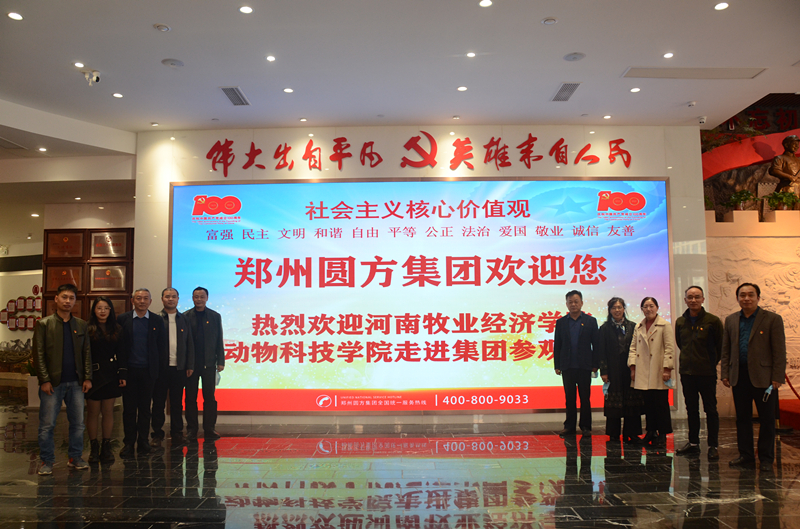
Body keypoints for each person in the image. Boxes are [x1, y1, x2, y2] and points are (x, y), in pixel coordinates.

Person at [720, 283, 786, 468]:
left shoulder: (772, 319)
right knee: (742, 418)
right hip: (739, 376)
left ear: (758, 297)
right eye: (742, 295)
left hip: (765, 378)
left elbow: (779, 351)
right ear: (737, 298)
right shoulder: (731, 320)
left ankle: (766, 459)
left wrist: (777, 376)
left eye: (751, 295)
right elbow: (726, 349)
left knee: (767, 419)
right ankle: (746, 455)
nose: (746, 298)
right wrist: (725, 372)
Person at [32, 283, 92, 475]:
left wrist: (87, 377)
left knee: (78, 424)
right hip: (53, 383)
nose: (68, 301)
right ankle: (46, 461)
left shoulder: (81, 325)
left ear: (75, 301)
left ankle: (75, 457)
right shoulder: (44, 324)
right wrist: (44, 380)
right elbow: (38, 354)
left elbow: (86, 353)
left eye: (71, 298)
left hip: (76, 383)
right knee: (47, 425)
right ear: (56, 299)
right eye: (64, 297)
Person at [674, 286, 724, 461]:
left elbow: (720, 347)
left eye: (697, 297)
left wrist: (709, 362)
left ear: (703, 299)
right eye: (690, 297)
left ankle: (713, 445)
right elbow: (681, 344)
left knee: (710, 409)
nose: (693, 300)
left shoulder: (713, 321)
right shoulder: (680, 322)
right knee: (691, 408)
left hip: (706, 373)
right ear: (685, 300)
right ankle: (693, 443)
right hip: (687, 373)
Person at [117, 288, 168, 458]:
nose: (142, 301)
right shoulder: (123, 319)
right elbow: (120, 348)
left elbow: (162, 347)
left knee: (145, 409)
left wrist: (159, 372)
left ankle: (143, 442)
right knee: (129, 409)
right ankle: (128, 443)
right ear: (133, 301)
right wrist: (121, 372)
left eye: (146, 298)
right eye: (138, 298)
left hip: (149, 372)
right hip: (129, 371)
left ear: (150, 302)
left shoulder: (156, 320)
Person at [627, 297, 675, 446]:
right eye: (645, 306)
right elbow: (633, 348)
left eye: (651, 306)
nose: (649, 309)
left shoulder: (664, 325)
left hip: (658, 370)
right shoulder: (639, 326)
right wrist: (633, 367)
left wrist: (667, 368)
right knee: (648, 404)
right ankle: (651, 431)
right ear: (642, 309)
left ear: (657, 307)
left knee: (661, 404)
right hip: (643, 371)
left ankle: (663, 433)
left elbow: (669, 348)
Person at [151, 288, 195, 447]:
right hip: (161, 369)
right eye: (167, 296)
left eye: (173, 296)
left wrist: (189, 364)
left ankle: (177, 433)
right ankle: (157, 434)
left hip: (179, 368)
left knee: (177, 403)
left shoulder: (184, 319)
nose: (170, 299)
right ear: (162, 299)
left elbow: (190, 343)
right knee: (158, 403)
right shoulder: (156, 319)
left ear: (178, 299)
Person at [554, 290, 599, 437]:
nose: (573, 304)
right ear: (566, 304)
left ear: (582, 303)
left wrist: (595, 364)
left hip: (585, 366)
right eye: (570, 302)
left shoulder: (591, 321)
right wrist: (557, 365)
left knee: (585, 398)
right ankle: (569, 426)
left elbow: (596, 345)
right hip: (567, 366)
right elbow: (557, 345)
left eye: (576, 301)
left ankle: (586, 426)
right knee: (570, 398)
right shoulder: (561, 322)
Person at [597, 297, 643, 444]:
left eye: (619, 307)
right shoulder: (604, 329)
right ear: (609, 310)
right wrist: (604, 371)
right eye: (614, 308)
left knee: (632, 400)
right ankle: (614, 434)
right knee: (613, 401)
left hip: (630, 369)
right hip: (613, 370)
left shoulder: (633, 326)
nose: (617, 310)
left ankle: (632, 433)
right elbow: (601, 351)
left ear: (624, 309)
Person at [85, 297, 124, 464]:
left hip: (110, 374)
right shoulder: (87, 328)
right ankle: (94, 448)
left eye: (106, 308)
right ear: (94, 310)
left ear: (110, 310)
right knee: (93, 412)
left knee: (108, 411)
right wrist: (85, 377)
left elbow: (122, 353)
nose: (102, 311)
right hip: (92, 375)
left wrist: (122, 374)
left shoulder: (117, 328)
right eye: (99, 308)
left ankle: (106, 446)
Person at [184, 287, 225, 441]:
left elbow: (219, 339)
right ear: (192, 298)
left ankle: (210, 428)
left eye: (202, 296)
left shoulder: (215, 316)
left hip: (209, 363)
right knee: (190, 398)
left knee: (209, 398)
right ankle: (192, 429)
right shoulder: (185, 316)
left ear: (207, 298)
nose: (199, 299)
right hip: (191, 365)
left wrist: (220, 361)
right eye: (196, 297)